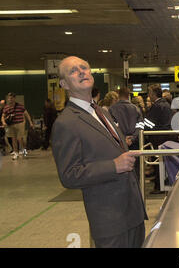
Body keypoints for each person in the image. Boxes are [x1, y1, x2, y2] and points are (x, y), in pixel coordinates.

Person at [51, 56, 147, 248]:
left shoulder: (101, 112)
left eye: (84, 67)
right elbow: (69, 175)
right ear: (64, 84)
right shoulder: (66, 123)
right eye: (73, 71)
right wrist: (114, 166)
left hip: (133, 212)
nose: (81, 72)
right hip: (110, 220)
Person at [144, 84, 176, 194]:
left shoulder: (157, 106)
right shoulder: (166, 104)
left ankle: (159, 186)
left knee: (158, 162)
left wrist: (141, 128)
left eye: (149, 93)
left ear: (153, 94)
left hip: (158, 138)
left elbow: (148, 123)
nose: (148, 95)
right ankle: (163, 183)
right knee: (163, 162)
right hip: (167, 137)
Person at [109, 87, 144, 181]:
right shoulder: (136, 109)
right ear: (128, 95)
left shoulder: (112, 109)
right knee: (136, 169)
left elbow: (112, 127)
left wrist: (123, 139)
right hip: (135, 143)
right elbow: (140, 126)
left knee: (122, 169)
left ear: (118, 95)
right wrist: (132, 138)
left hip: (120, 144)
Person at [1, 92, 34, 160]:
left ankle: (24, 151)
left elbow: (26, 114)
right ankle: (16, 153)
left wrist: (30, 122)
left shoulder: (20, 106)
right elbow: (3, 116)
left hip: (20, 124)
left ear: (14, 98)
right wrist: (3, 122)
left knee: (20, 139)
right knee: (13, 139)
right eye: (9, 98)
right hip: (11, 125)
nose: (10, 99)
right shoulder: (6, 107)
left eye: (12, 98)